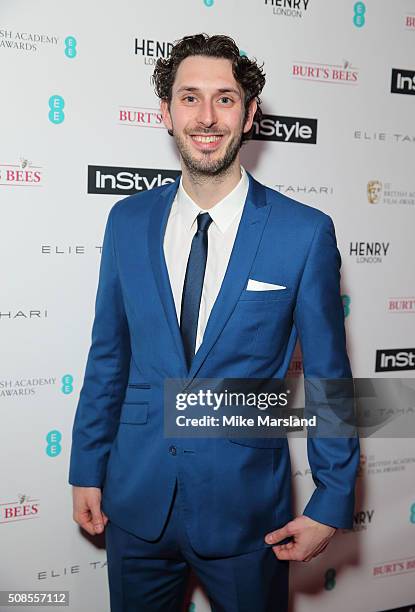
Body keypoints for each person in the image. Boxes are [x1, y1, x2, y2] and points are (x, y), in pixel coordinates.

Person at [69, 33, 359, 612]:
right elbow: (109, 356)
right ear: (166, 113)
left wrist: (332, 499)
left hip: (247, 512)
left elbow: (329, 378)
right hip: (136, 503)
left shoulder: (303, 233)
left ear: (250, 114)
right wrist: (86, 466)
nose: (206, 117)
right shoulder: (126, 221)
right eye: (190, 98)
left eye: (225, 99)